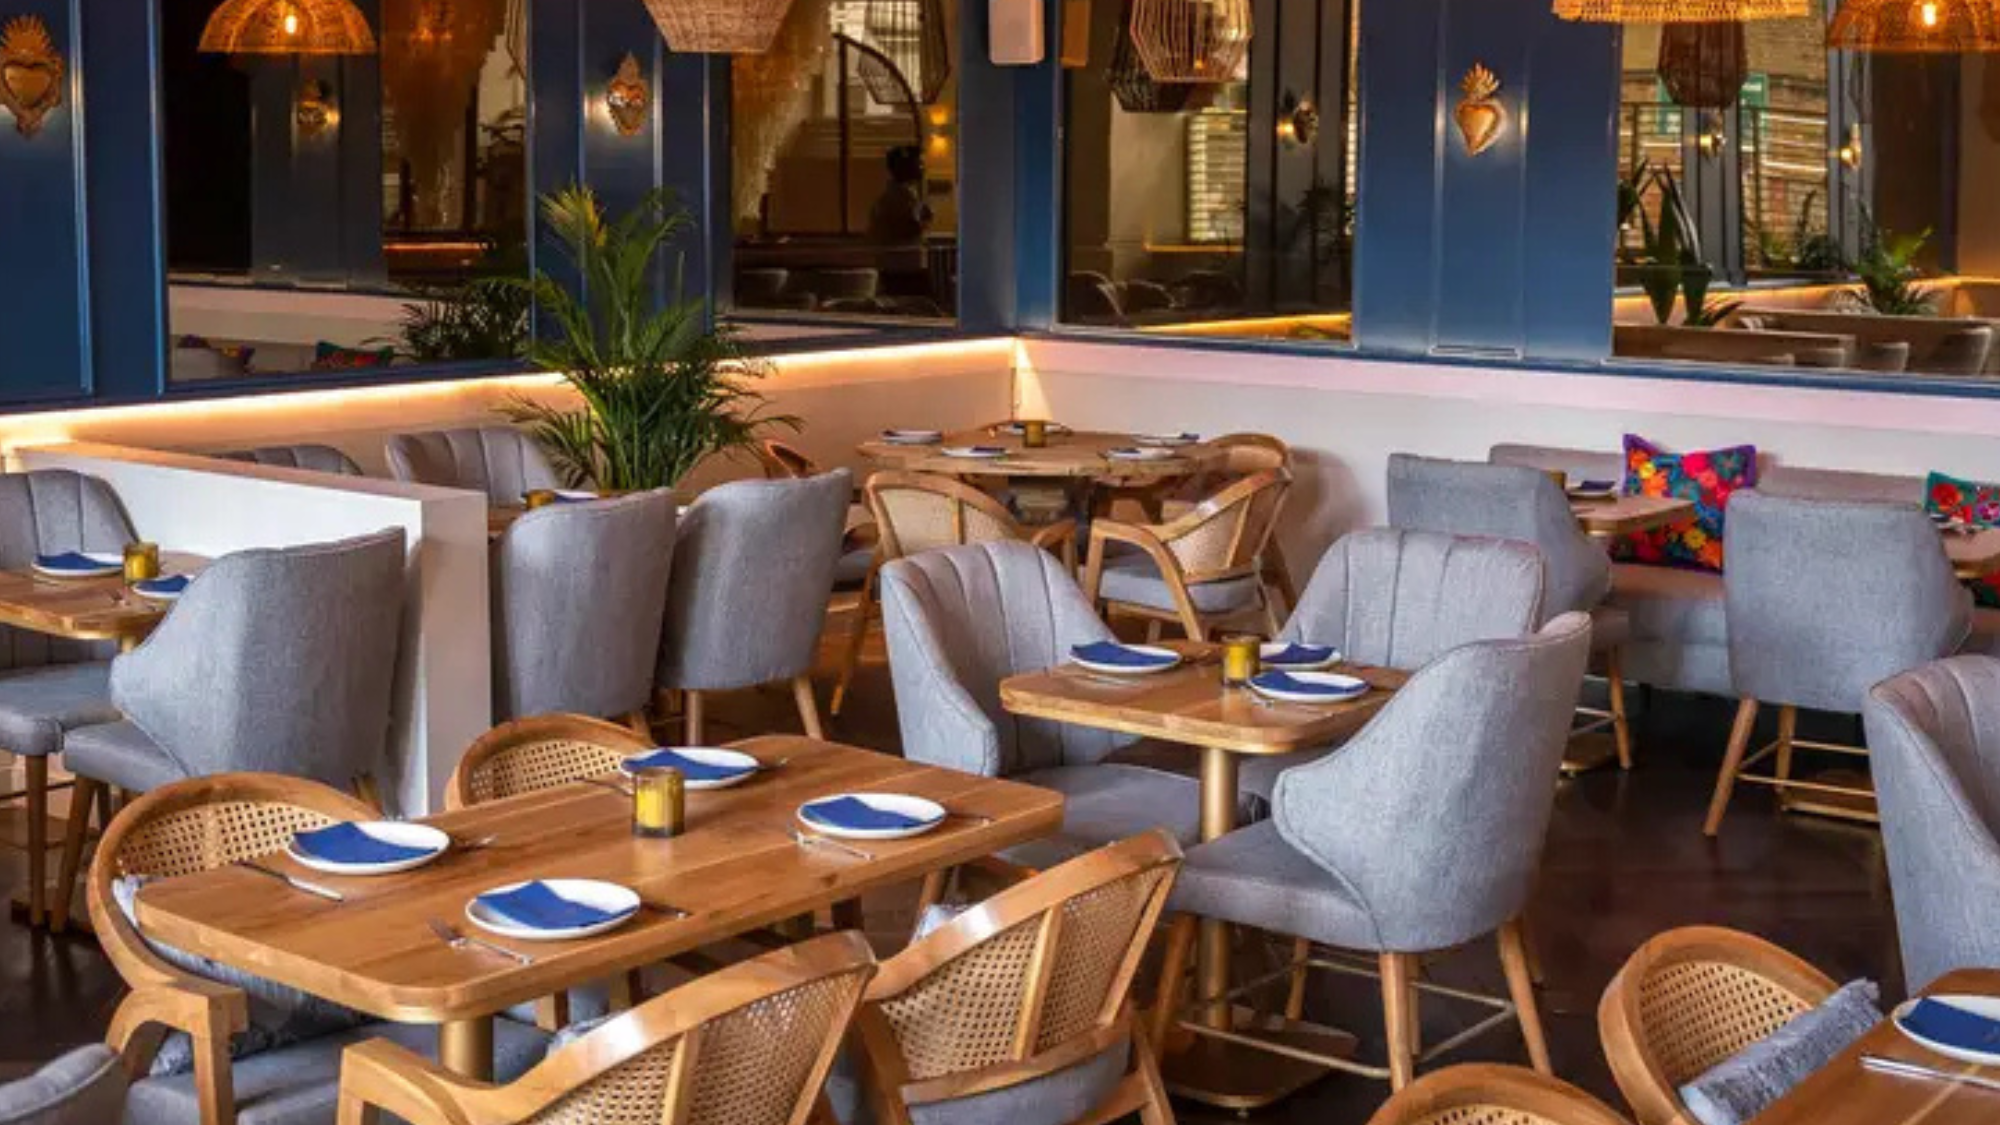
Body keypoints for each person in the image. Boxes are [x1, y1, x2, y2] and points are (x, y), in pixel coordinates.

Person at [868, 146, 932, 246]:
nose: (923, 167)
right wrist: (925, 219)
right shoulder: (895, 199)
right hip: (899, 259)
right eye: (919, 164)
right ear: (906, 167)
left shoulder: (907, 196)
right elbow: (906, 230)